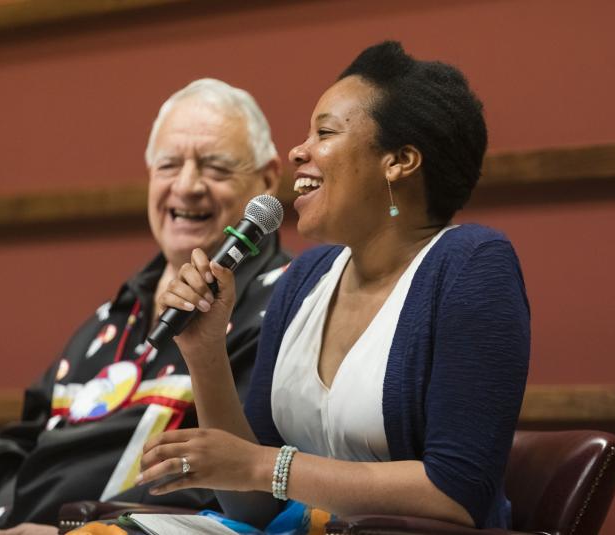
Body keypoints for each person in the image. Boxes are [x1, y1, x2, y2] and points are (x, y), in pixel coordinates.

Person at [137, 41, 530, 531]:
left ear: (399, 161)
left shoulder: (471, 266)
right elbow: (253, 507)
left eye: (324, 132)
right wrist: (205, 352)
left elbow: (457, 493)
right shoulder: (305, 278)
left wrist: (265, 467)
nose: (298, 150)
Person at [0, 79, 291, 535]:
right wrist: (2, 524)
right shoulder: (112, 315)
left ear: (266, 178)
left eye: (216, 168)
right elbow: (19, 443)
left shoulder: (283, 306)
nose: (187, 185)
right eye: (168, 165)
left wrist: (74, 533)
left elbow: (240, 484)